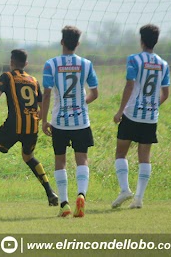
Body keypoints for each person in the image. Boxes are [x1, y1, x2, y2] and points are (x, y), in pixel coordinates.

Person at [0, 49, 58, 208]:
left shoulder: (7, 76)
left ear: (11, 62)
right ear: (26, 64)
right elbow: (42, 105)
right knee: (28, 157)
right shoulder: (33, 80)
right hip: (32, 127)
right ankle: (50, 193)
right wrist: (38, 118)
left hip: (13, 126)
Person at [40, 26, 98, 218]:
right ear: (78, 44)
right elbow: (95, 93)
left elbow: (47, 94)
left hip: (60, 121)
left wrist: (44, 120)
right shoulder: (86, 64)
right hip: (81, 121)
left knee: (60, 161)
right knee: (82, 159)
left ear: (62, 42)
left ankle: (64, 204)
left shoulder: (51, 64)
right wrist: (81, 104)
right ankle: (81, 194)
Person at [112, 24, 169, 210]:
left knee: (121, 153)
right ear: (156, 41)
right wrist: (152, 106)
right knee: (144, 157)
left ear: (141, 40)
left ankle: (124, 190)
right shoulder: (163, 64)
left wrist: (120, 110)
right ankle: (139, 198)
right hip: (150, 117)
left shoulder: (134, 60)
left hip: (132, 114)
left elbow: (129, 86)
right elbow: (165, 93)